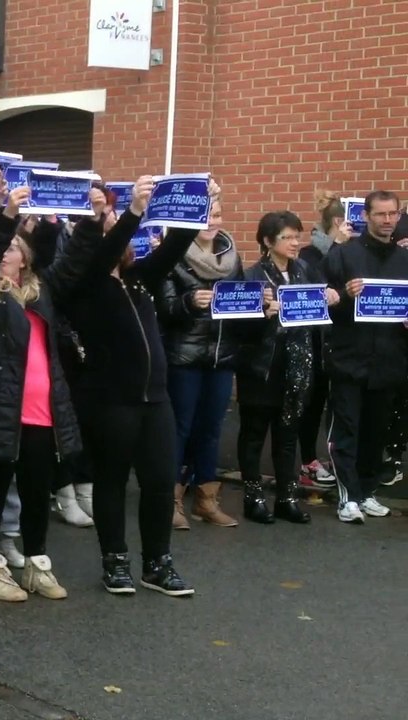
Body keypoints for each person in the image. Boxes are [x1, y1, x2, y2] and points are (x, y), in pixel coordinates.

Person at [0, 178, 119, 603]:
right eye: (3, 249)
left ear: (24, 260)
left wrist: (93, 218)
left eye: (13, 249)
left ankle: (36, 564)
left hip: (42, 411)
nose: (5, 252)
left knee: (35, 491)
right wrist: (7, 215)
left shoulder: (41, 292)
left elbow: (77, 261)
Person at [59, 175, 200, 597]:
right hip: (109, 399)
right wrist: (133, 211)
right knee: (112, 480)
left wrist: (198, 203)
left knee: (159, 480)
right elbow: (101, 255)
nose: (121, 233)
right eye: (112, 227)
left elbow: (175, 245)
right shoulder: (86, 283)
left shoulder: (138, 279)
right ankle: (114, 560)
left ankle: (157, 563)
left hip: (155, 398)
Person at [233, 211, 337, 525]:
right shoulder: (251, 277)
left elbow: (319, 305)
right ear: (267, 241)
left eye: (297, 236)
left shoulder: (305, 269)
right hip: (262, 367)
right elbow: (237, 329)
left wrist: (331, 296)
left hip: (297, 367)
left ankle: (286, 498)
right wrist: (261, 313)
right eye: (287, 238)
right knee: (254, 434)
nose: (295, 243)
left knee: (287, 435)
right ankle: (253, 498)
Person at [321, 190, 408, 523]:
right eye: (381, 214)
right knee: (346, 430)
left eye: (393, 214)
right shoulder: (343, 255)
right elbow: (320, 303)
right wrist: (344, 294)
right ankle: (347, 497)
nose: (387, 221)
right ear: (366, 216)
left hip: (389, 361)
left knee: (376, 432)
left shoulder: (405, 259)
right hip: (349, 358)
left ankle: (367, 492)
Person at [158, 197, 244, 528]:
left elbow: (239, 306)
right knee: (180, 427)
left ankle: (206, 500)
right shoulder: (173, 255)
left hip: (222, 356)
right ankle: (172, 500)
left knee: (211, 429)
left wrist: (259, 304)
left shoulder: (231, 256)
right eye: (206, 216)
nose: (213, 221)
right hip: (185, 356)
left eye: (219, 214)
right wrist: (189, 302)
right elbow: (166, 309)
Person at [296, 192, 351, 491]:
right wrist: (338, 247)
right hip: (315, 339)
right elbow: (316, 281)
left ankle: (331, 457)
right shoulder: (309, 253)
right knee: (312, 402)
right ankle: (307, 460)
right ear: (338, 221)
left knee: (335, 406)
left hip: (341, 337)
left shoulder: (351, 250)